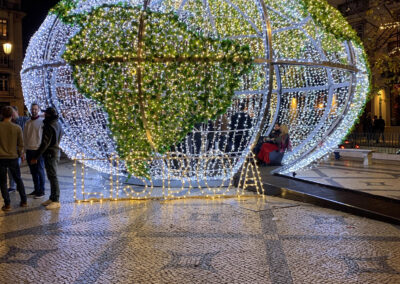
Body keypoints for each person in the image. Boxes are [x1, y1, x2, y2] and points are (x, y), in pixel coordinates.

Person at [30, 107, 63, 210]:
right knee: (52, 176)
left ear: (48, 115)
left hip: (50, 154)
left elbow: (45, 143)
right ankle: (52, 198)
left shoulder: (49, 125)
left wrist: (36, 156)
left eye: (45, 113)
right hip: (55, 152)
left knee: (53, 177)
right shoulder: (57, 123)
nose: (43, 114)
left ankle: (56, 200)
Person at [0, 106, 27, 211]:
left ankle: (7, 204)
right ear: (12, 116)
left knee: (2, 182)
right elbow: (21, 144)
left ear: (2, 115)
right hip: (13, 157)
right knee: (18, 179)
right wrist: (21, 154)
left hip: (1, 158)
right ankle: (24, 201)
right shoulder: (17, 128)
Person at [23, 103, 46, 199]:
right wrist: (24, 150)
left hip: (38, 150)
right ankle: (36, 189)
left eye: (36, 109)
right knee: (33, 172)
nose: (34, 111)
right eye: (32, 109)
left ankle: (41, 191)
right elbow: (25, 136)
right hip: (29, 150)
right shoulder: (27, 122)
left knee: (40, 171)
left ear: (39, 110)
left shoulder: (42, 122)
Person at [7, 106, 29, 193]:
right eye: (11, 113)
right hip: (11, 150)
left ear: (17, 111)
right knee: (11, 169)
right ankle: (13, 186)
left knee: (15, 168)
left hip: (20, 150)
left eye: (13, 112)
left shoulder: (24, 120)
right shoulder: (8, 122)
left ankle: (17, 186)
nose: (12, 115)